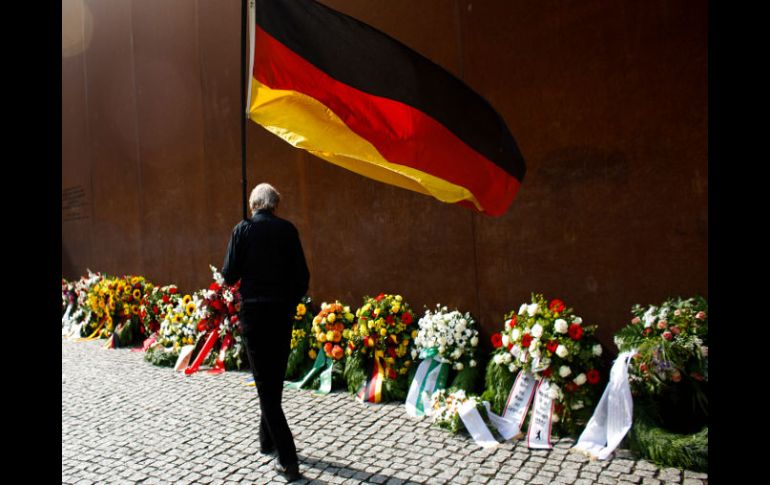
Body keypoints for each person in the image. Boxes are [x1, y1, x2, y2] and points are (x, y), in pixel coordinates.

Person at [222, 183, 309, 482]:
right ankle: (266, 440)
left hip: (256, 314)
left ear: (253, 203)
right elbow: (302, 277)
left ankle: (288, 460)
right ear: (275, 204)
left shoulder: (242, 229)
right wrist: (289, 300)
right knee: (273, 380)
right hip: (281, 314)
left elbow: (228, 274)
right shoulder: (289, 230)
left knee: (265, 387)